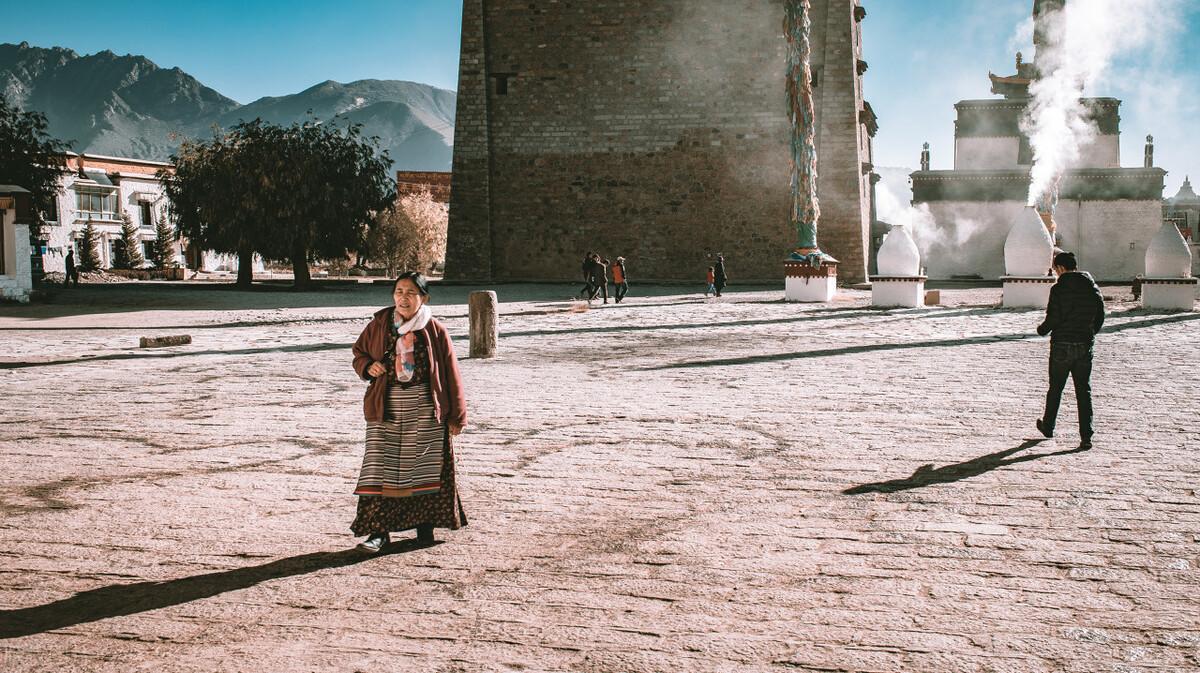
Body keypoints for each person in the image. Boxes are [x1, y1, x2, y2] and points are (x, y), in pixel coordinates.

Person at [350, 272, 468, 552]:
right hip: (386, 406)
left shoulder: (435, 330)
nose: (403, 297)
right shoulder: (379, 324)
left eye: (411, 293)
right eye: (399, 291)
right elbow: (359, 353)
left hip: (425, 408)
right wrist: (368, 367)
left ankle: (424, 526)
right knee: (379, 470)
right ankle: (378, 533)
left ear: (423, 298)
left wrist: (457, 415)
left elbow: (451, 373)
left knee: (423, 468)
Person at [1035, 251, 1105, 450]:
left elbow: (1053, 317)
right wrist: (1089, 334)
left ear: (1060, 268)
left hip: (1062, 345)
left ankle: (1048, 426)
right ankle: (1086, 436)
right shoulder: (1092, 287)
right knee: (1084, 391)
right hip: (1084, 344)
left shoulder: (1059, 289)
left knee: (1056, 388)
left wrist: (1042, 329)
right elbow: (1100, 316)